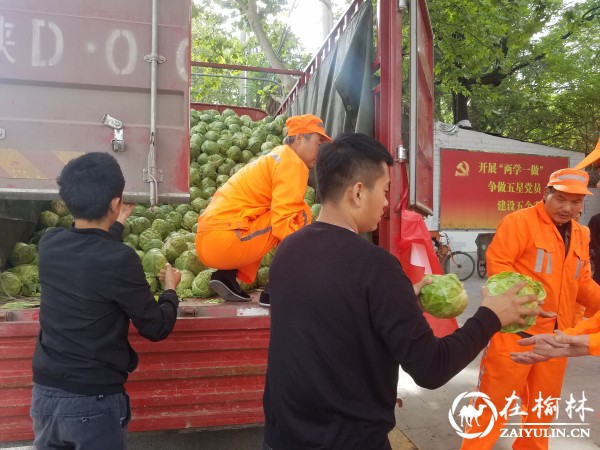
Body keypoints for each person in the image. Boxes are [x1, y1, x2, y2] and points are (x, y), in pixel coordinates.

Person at [261, 132, 539, 450]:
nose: (385, 203)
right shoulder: (376, 266)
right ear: (358, 192)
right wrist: (490, 317)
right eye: (385, 190)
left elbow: (334, 317)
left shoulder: (288, 250)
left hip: (281, 437)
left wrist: (400, 300)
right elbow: (431, 369)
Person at [30, 152, 181, 450]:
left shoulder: (49, 243)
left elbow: (89, 248)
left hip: (45, 395)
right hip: (93, 403)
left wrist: (118, 222)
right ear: (114, 203)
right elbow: (155, 327)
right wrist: (169, 291)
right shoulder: (120, 260)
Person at [460, 168, 600, 450]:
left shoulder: (582, 234)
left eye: (576, 202)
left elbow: (582, 282)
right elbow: (499, 271)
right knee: (492, 406)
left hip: (557, 341)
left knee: (541, 410)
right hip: (515, 334)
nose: (568, 207)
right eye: (561, 198)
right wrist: (528, 305)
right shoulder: (519, 222)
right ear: (546, 194)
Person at [195, 114, 331, 306]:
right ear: (300, 139)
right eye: (318, 142)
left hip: (208, 239)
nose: (320, 150)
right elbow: (284, 223)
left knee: (270, 216)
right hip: (224, 240)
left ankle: (227, 275)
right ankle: (275, 288)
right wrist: (310, 263)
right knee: (299, 216)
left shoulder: (276, 156)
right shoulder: (292, 163)